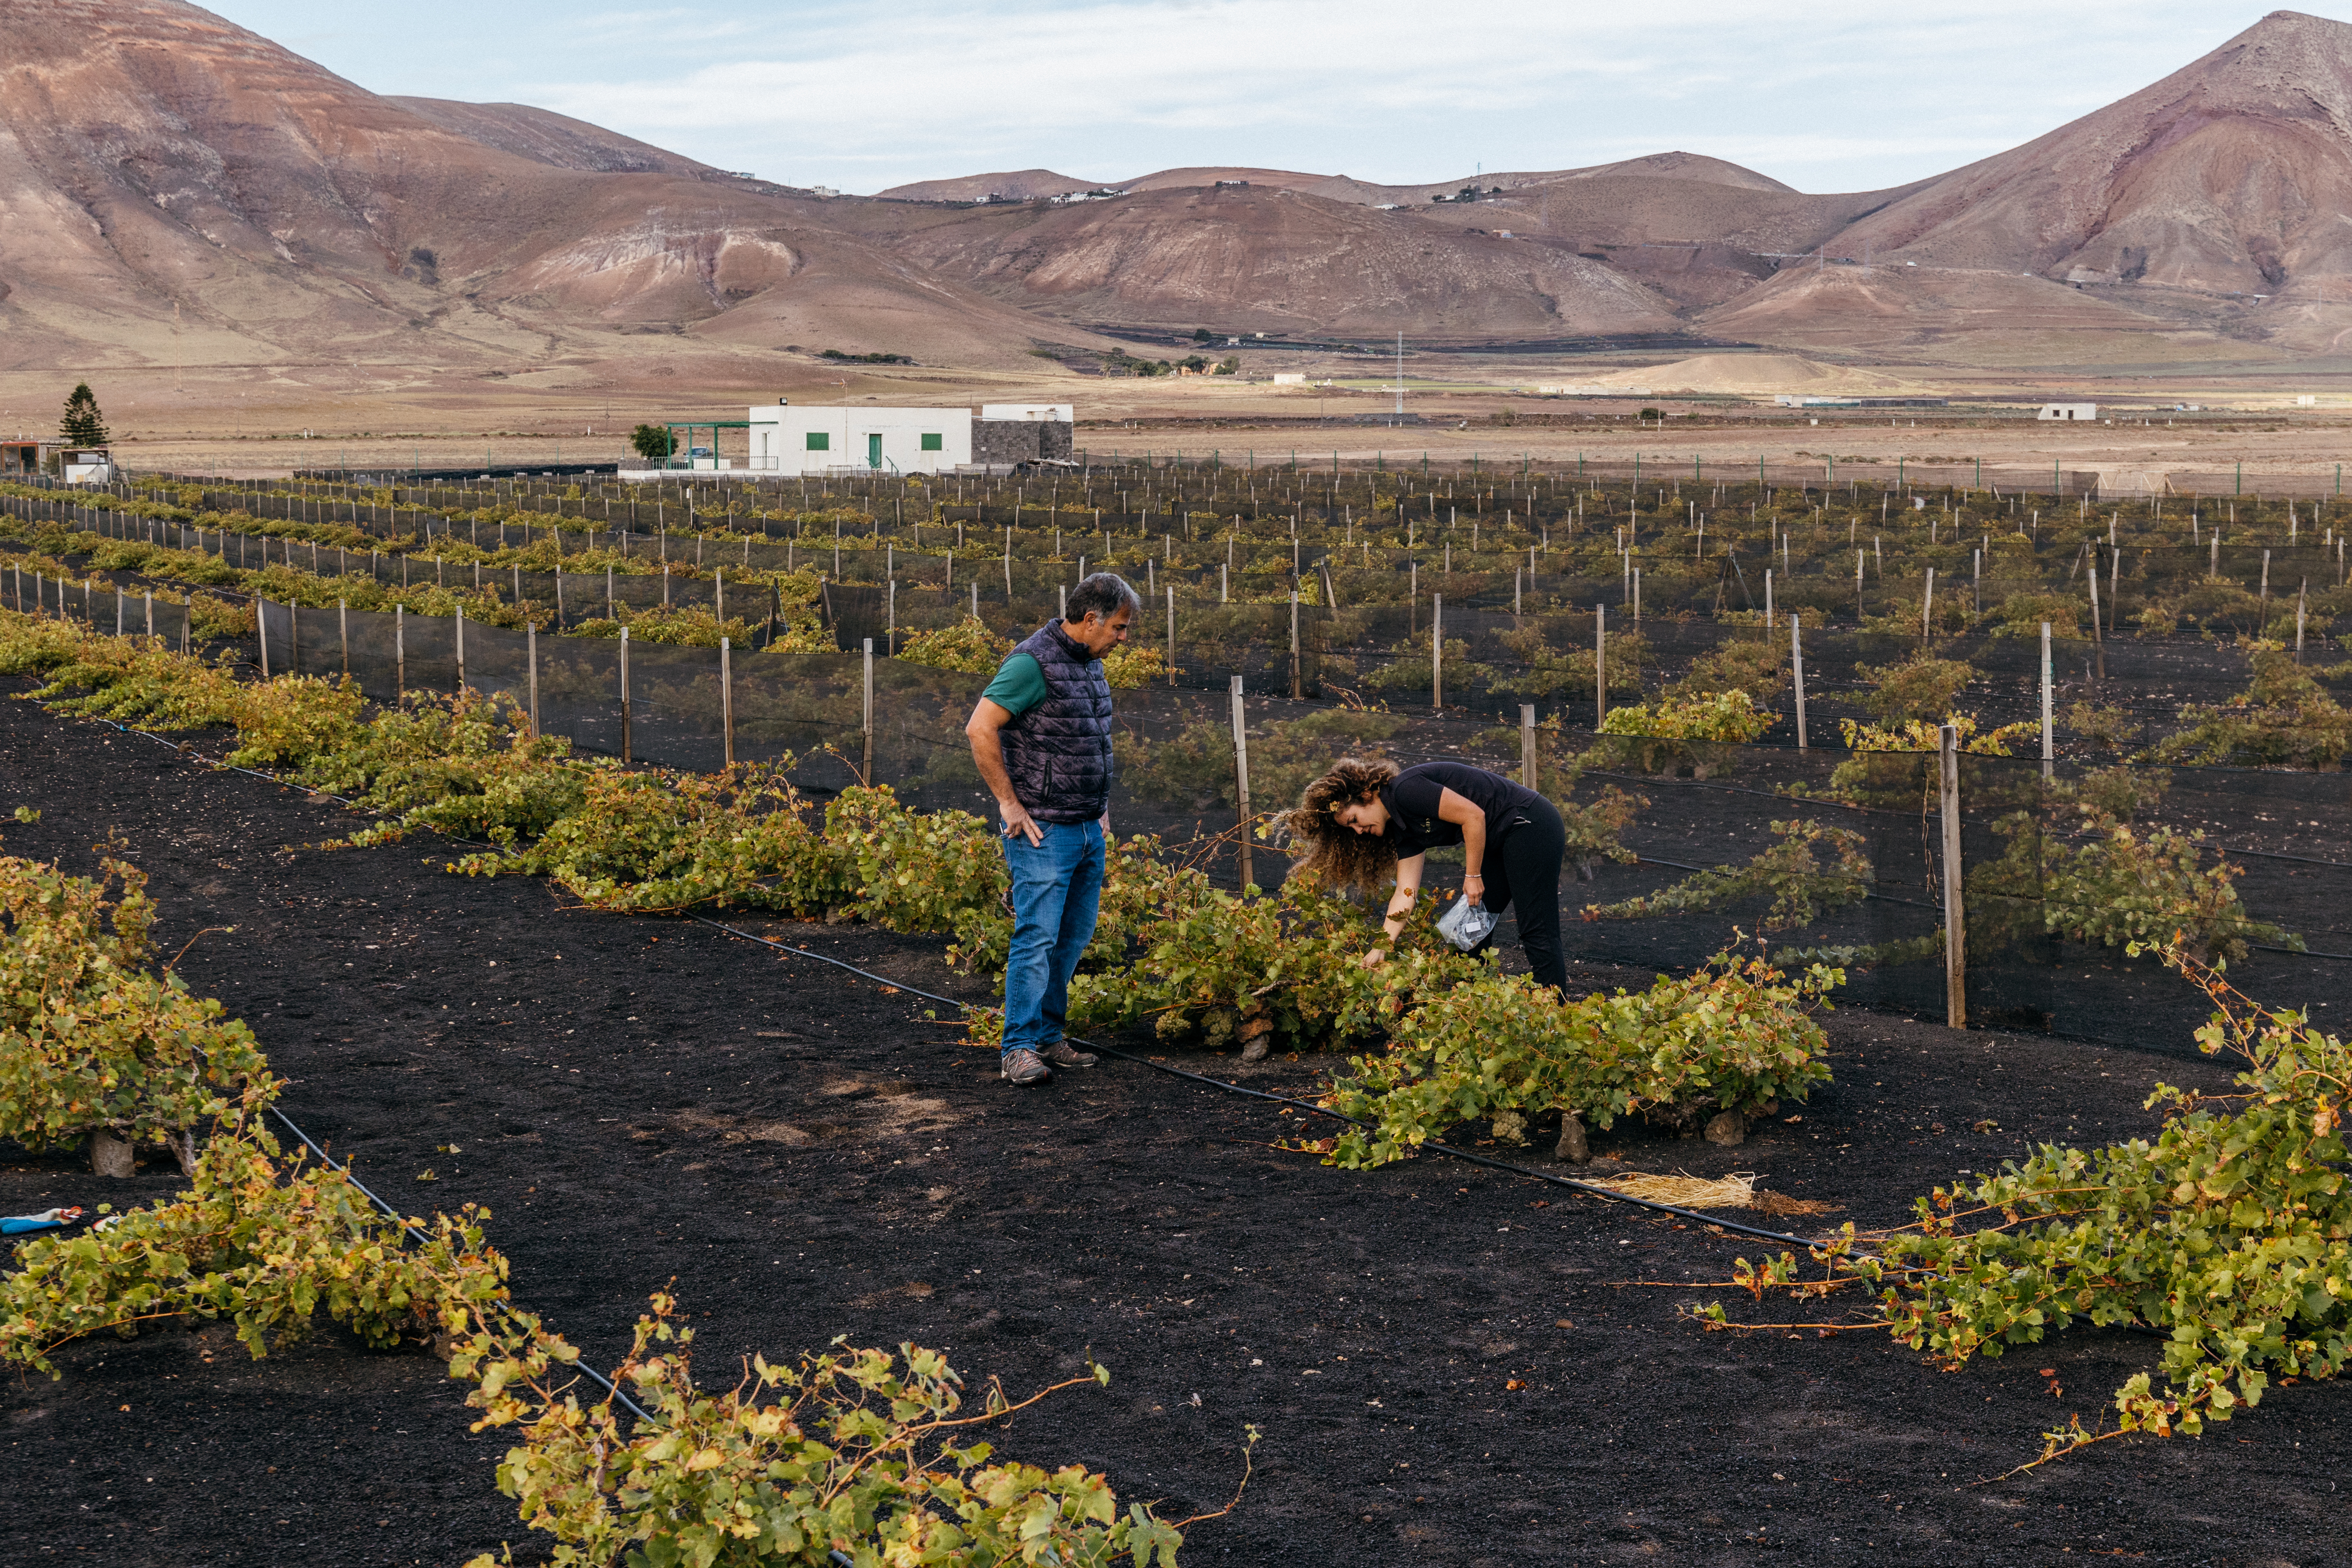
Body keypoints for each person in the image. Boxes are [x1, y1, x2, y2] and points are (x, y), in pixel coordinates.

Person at [965, 573, 1139, 1085]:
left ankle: (1047, 1036)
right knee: (1037, 936)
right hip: (1043, 830)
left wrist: (1099, 807)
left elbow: (1086, 741)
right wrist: (1009, 804)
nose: (1123, 638)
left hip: (1086, 826)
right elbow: (979, 727)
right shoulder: (1031, 663)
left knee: (1072, 937)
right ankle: (1017, 1047)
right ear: (1091, 620)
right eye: (1120, 628)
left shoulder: (1089, 664)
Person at [1279, 757, 1568, 994]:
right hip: (1499, 841)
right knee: (1465, 935)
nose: (1357, 830)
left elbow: (1474, 816)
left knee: (1536, 929)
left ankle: (1555, 1019)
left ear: (1366, 795)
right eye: (1349, 829)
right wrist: (1382, 945)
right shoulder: (1404, 831)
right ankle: (1481, 1010)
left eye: (1354, 820)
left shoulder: (1406, 790)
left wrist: (1472, 875)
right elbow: (1405, 893)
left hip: (1530, 825)